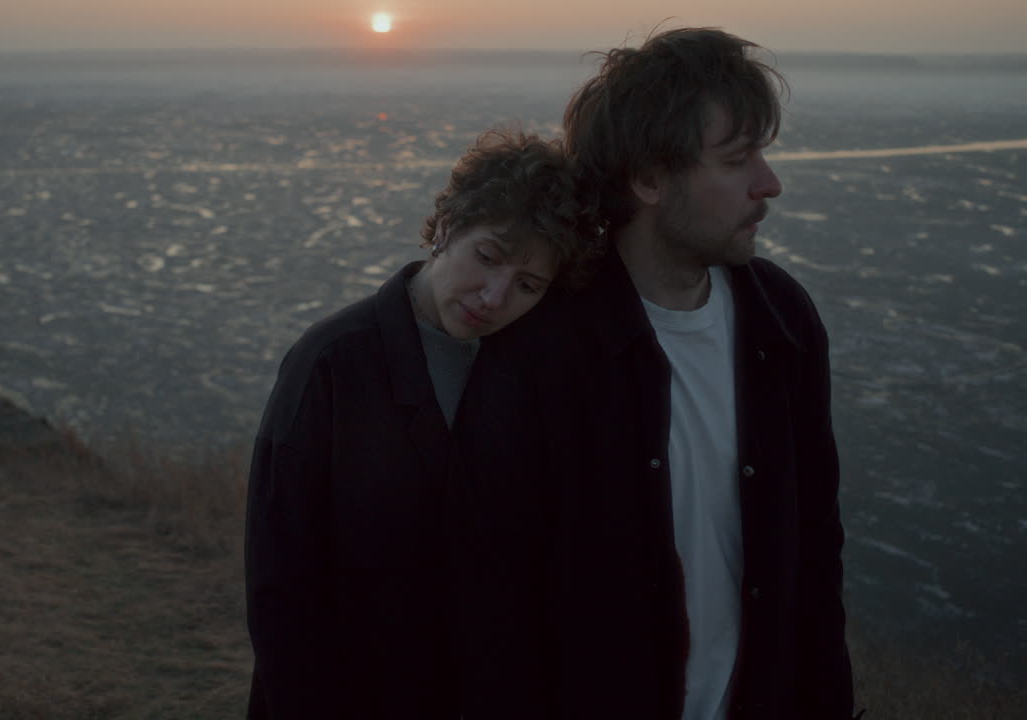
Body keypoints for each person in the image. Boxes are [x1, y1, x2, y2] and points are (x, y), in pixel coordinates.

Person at [508, 26, 856, 719]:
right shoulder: (544, 344)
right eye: (735, 160)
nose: (769, 184)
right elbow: (502, 596)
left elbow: (816, 555)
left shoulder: (782, 322)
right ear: (648, 178)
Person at [244, 129, 596, 719]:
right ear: (450, 227)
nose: (493, 295)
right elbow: (280, 584)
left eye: (528, 285)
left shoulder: (535, 374)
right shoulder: (334, 361)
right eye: (488, 257)